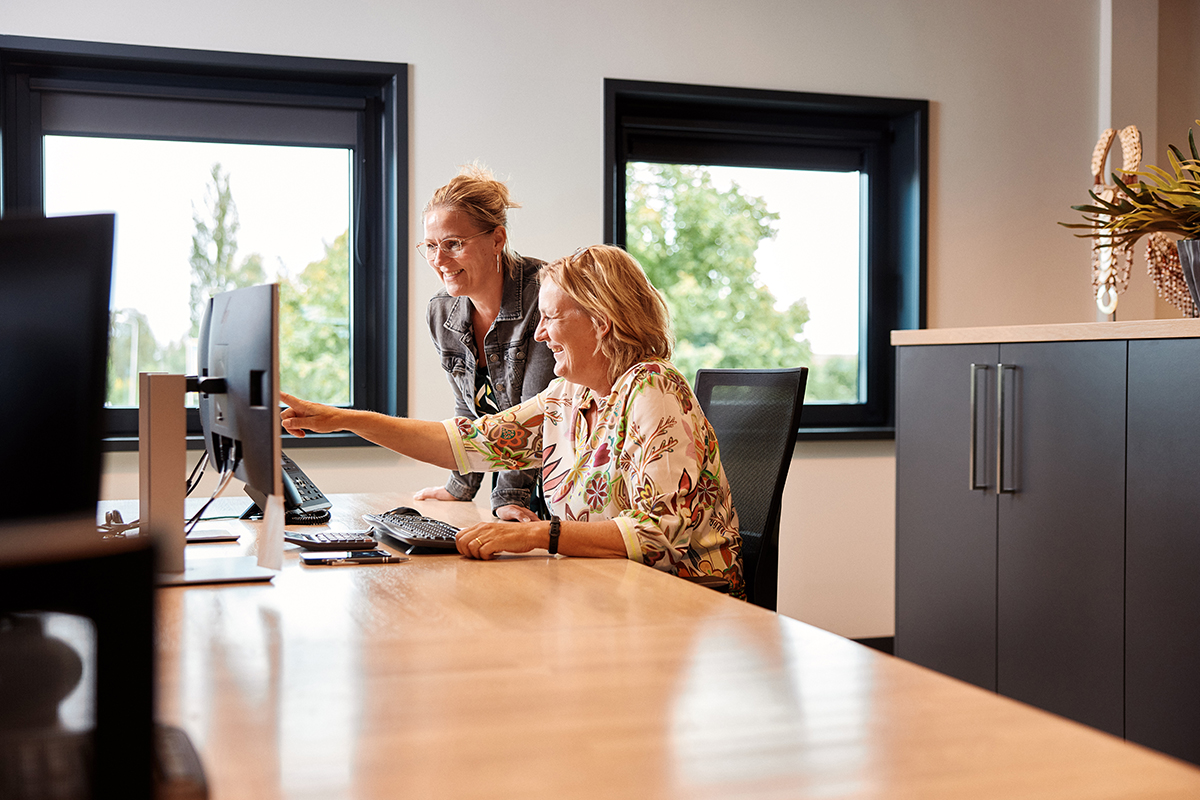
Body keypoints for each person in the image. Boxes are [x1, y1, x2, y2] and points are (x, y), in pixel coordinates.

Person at [281, 245, 743, 595]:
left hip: (681, 604)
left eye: (550, 318)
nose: (541, 334)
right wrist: (344, 419)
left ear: (601, 321)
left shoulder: (652, 387)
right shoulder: (569, 394)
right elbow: (468, 442)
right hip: (606, 590)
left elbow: (659, 534)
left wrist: (537, 534)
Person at [414, 164, 556, 523]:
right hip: (518, 485)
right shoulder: (441, 313)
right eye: (431, 246)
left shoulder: (546, 294)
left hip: (559, 487)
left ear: (497, 239)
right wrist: (458, 488)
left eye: (453, 244)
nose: (439, 261)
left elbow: (534, 417)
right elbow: (470, 409)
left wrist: (510, 497)